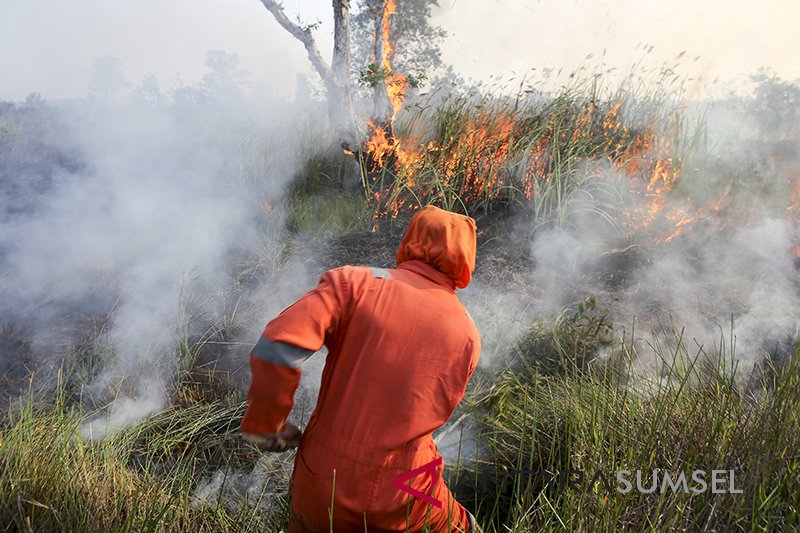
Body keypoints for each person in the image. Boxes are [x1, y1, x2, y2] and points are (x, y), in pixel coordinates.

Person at [240, 205, 481, 532]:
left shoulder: (354, 283)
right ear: (466, 262)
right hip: (408, 490)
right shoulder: (468, 334)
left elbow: (276, 348)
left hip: (323, 479)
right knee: (464, 525)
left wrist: (266, 423)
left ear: (409, 240)